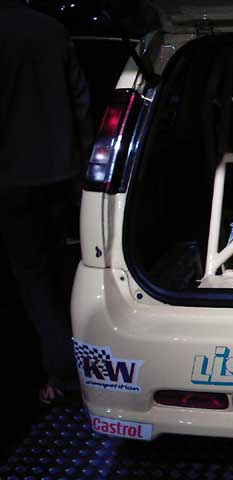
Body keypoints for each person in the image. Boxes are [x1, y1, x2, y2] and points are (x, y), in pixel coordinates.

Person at [0, 0, 93, 403]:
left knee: (34, 280)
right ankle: (94, 367)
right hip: (62, 171)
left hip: (10, 179)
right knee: (70, 269)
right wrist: (83, 167)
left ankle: (62, 373)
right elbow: (80, 103)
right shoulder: (50, 29)